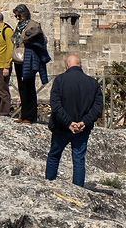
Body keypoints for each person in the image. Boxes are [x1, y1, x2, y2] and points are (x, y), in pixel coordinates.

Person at [45, 54, 105, 187]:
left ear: (67, 66)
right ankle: (77, 189)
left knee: (54, 155)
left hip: (61, 126)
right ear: (81, 65)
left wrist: (68, 123)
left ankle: (49, 185)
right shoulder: (92, 83)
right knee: (78, 159)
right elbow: (98, 107)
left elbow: (55, 105)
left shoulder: (60, 80)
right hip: (82, 128)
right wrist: (84, 122)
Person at [12, 4, 49, 124]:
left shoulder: (33, 24)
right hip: (18, 59)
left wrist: (28, 39)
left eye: (19, 15)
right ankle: (23, 115)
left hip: (28, 58)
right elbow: (14, 38)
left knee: (29, 87)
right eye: (16, 15)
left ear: (25, 14)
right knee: (21, 87)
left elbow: (38, 38)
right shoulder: (19, 26)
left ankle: (30, 116)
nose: (17, 17)